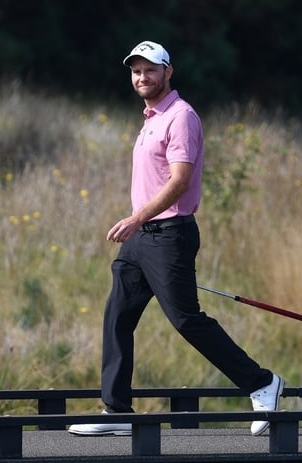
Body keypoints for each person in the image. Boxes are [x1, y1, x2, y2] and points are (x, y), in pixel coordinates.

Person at [69, 40, 284, 437]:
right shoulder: (151, 118)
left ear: (168, 72)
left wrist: (136, 218)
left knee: (187, 320)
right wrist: (138, 225)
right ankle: (117, 412)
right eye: (136, 71)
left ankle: (261, 383)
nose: (142, 77)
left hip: (169, 234)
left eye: (150, 69)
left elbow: (180, 180)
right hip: (142, 239)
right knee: (117, 316)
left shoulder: (180, 117)